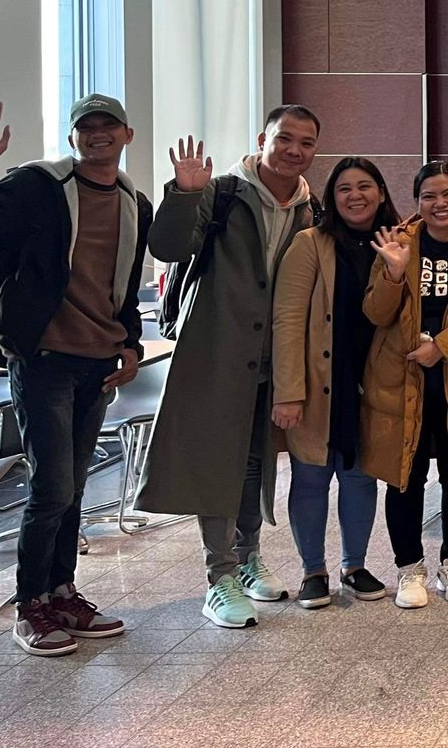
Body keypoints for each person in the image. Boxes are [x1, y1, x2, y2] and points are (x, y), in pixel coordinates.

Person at [0, 94, 149, 656]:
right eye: (86, 128)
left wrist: (129, 342)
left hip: (98, 362)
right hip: (44, 358)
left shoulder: (133, 203)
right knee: (52, 487)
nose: (97, 135)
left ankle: (63, 592)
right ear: (73, 137)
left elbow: (117, 284)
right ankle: (32, 605)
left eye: (108, 127)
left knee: (70, 488)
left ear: (126, 135)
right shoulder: (37, 188)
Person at [142, 106, 322, 629]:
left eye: (306, 143)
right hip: (216, 350)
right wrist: (184, 193)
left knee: (255, 462)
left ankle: (247, 559)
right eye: (285, 139)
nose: (294, 150)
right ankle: (218, 576)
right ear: (263, 138)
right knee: (215, 462)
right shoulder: (221, 192)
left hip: (274, 358)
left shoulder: (311, 208)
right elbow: (168, 246)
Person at [363, 161, 448, 609]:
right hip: (400, 376)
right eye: (429, 197)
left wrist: (442, 347)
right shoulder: (395, 243)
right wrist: (394, 273)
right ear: (417, 202)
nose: (439, 204)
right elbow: (376, 314)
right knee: (403, 476)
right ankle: (409, 570)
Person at [270, 157, 397, 609]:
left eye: (365, 186)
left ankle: (355, 565)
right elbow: (286, 320)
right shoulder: (310, 243)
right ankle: (313, 570)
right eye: (344, 188)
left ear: (381, 192)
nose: (355, 196)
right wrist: (288, 392)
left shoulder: (398, 243)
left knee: (361, 479)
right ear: (331, 197)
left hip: (372, 385)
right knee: (310, 478)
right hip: (319, 382)